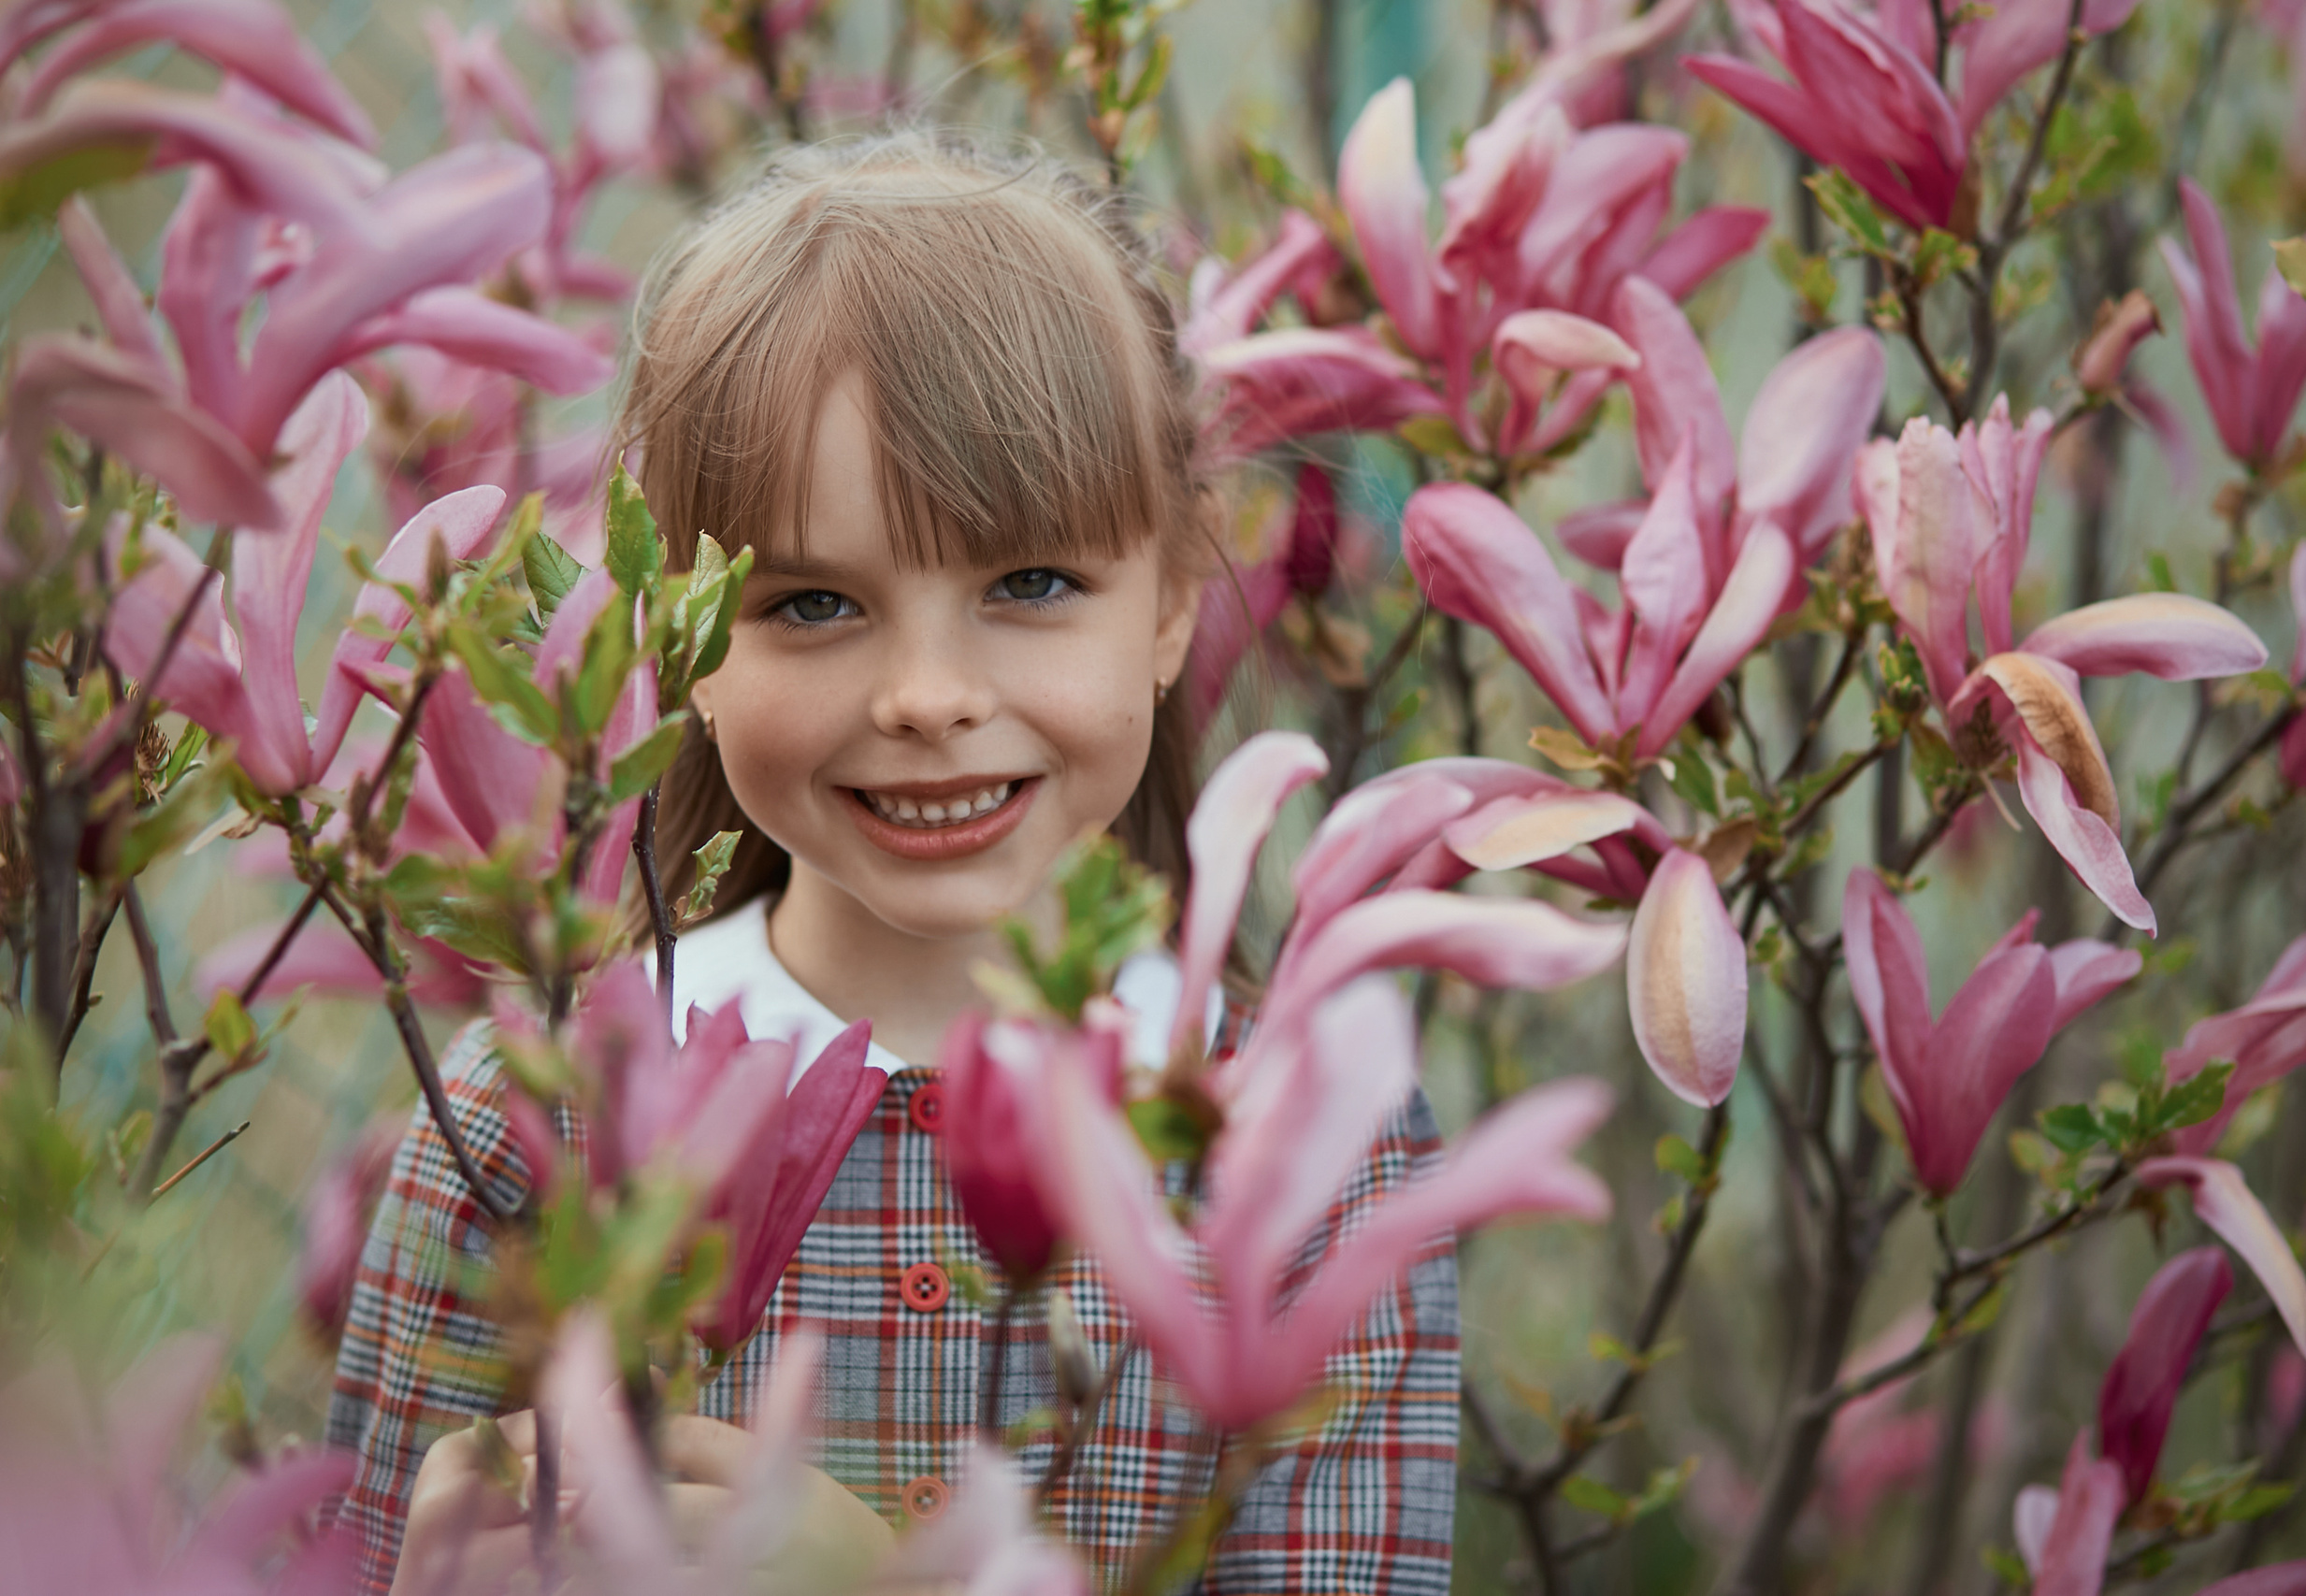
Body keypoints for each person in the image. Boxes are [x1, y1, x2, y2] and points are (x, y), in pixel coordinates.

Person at [328, 132, 1461, 1596]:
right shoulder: (527, 1127)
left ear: (1175, 598)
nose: (927, 694)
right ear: (684, 642)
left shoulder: (1311, 1143)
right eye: (810, 603)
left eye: (1031, 583)